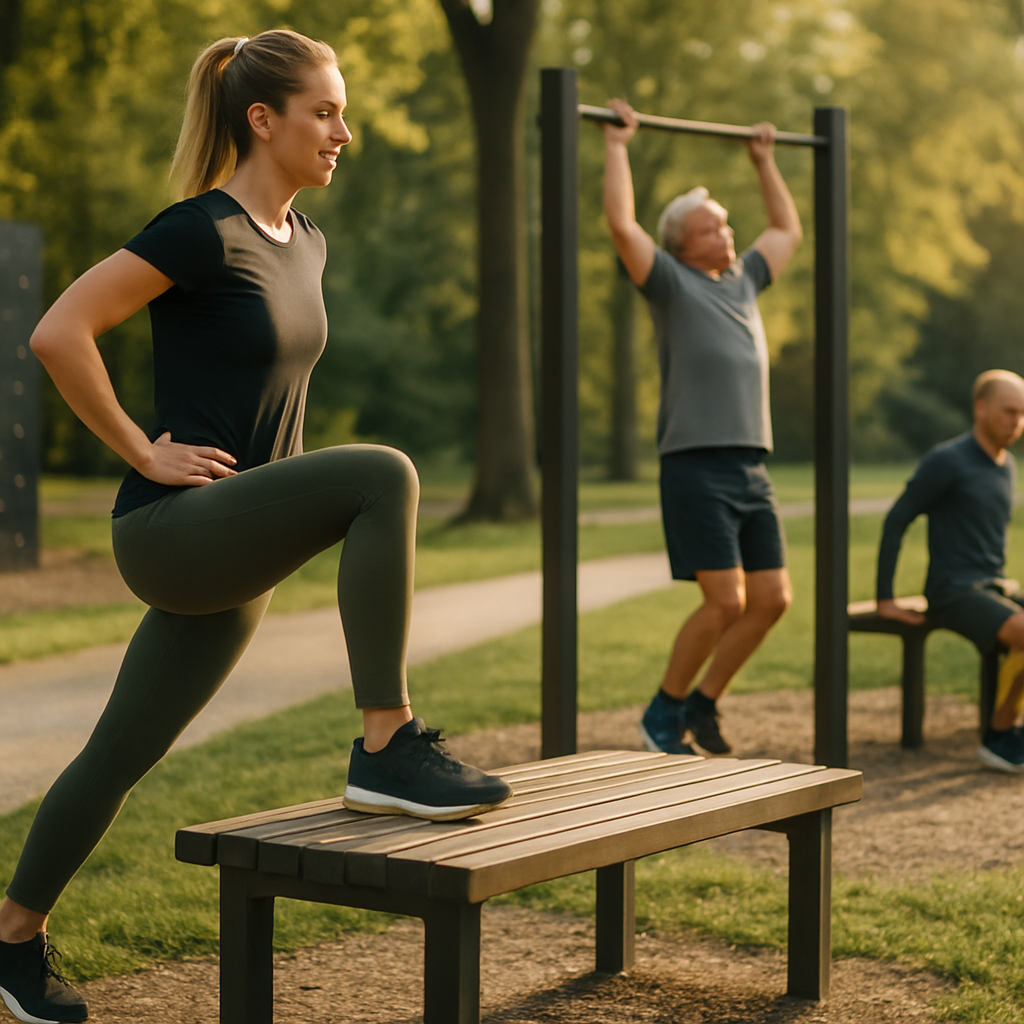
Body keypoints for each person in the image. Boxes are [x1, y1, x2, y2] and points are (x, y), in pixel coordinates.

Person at [0, 30, 511, 1024]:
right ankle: (384, 744)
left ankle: (10, 944)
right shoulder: (199, 230)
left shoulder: (308, 243)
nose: (343, 133)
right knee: (385, 474)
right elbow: (58, 330)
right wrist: (141, 451)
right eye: (324, 112)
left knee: (117, 754)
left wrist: (280, 519)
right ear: (262, 119)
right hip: (173, 528)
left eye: (344, 112)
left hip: (236, 543)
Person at [601, 98, 802, 758]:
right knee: (726, 601)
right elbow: (622, 223)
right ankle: (662, 712)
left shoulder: (743, 281)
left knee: (773, 599)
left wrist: (764, 161)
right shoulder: (669, 284)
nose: (726, 234)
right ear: (682, 243)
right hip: (696, 462)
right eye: (712, 228)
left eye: (725, 224)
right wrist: (618, 146)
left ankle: (703, 701)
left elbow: (786, 230)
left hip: (751, 463)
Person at [876, 369, 1024, 773]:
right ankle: (999, 737)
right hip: (952, 590)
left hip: (992, 585)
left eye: (1022, 414)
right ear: (980, 408)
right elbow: (897, 520)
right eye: (1009, 411)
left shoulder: (1006, 464)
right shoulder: (948, 460)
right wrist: (885, 598)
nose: (1017, 421)